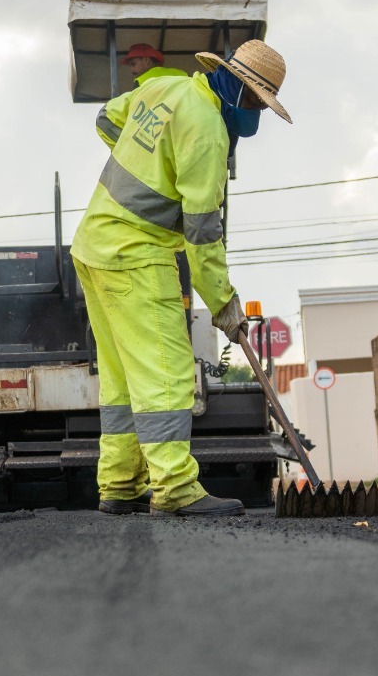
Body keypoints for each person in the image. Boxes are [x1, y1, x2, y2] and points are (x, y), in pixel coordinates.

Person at [74, 39, 291, 517]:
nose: (254, 113)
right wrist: (224, 305)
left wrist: (151, 162)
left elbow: (107, 119)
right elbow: (202, 237)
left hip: (93, 243)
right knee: (166, 375)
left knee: (123, 381)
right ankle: (173, 488)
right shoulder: (209, 132)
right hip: (135, 254)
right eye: (255, 101)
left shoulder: (165, 87)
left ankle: (120, 483)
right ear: (236, 86)